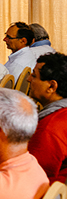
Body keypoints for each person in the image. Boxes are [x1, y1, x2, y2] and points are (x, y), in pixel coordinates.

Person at [27, 53, 67, 183]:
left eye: (34, 76)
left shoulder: (49, 128)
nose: (28, 79)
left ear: (51, 86)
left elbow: (31, 177)